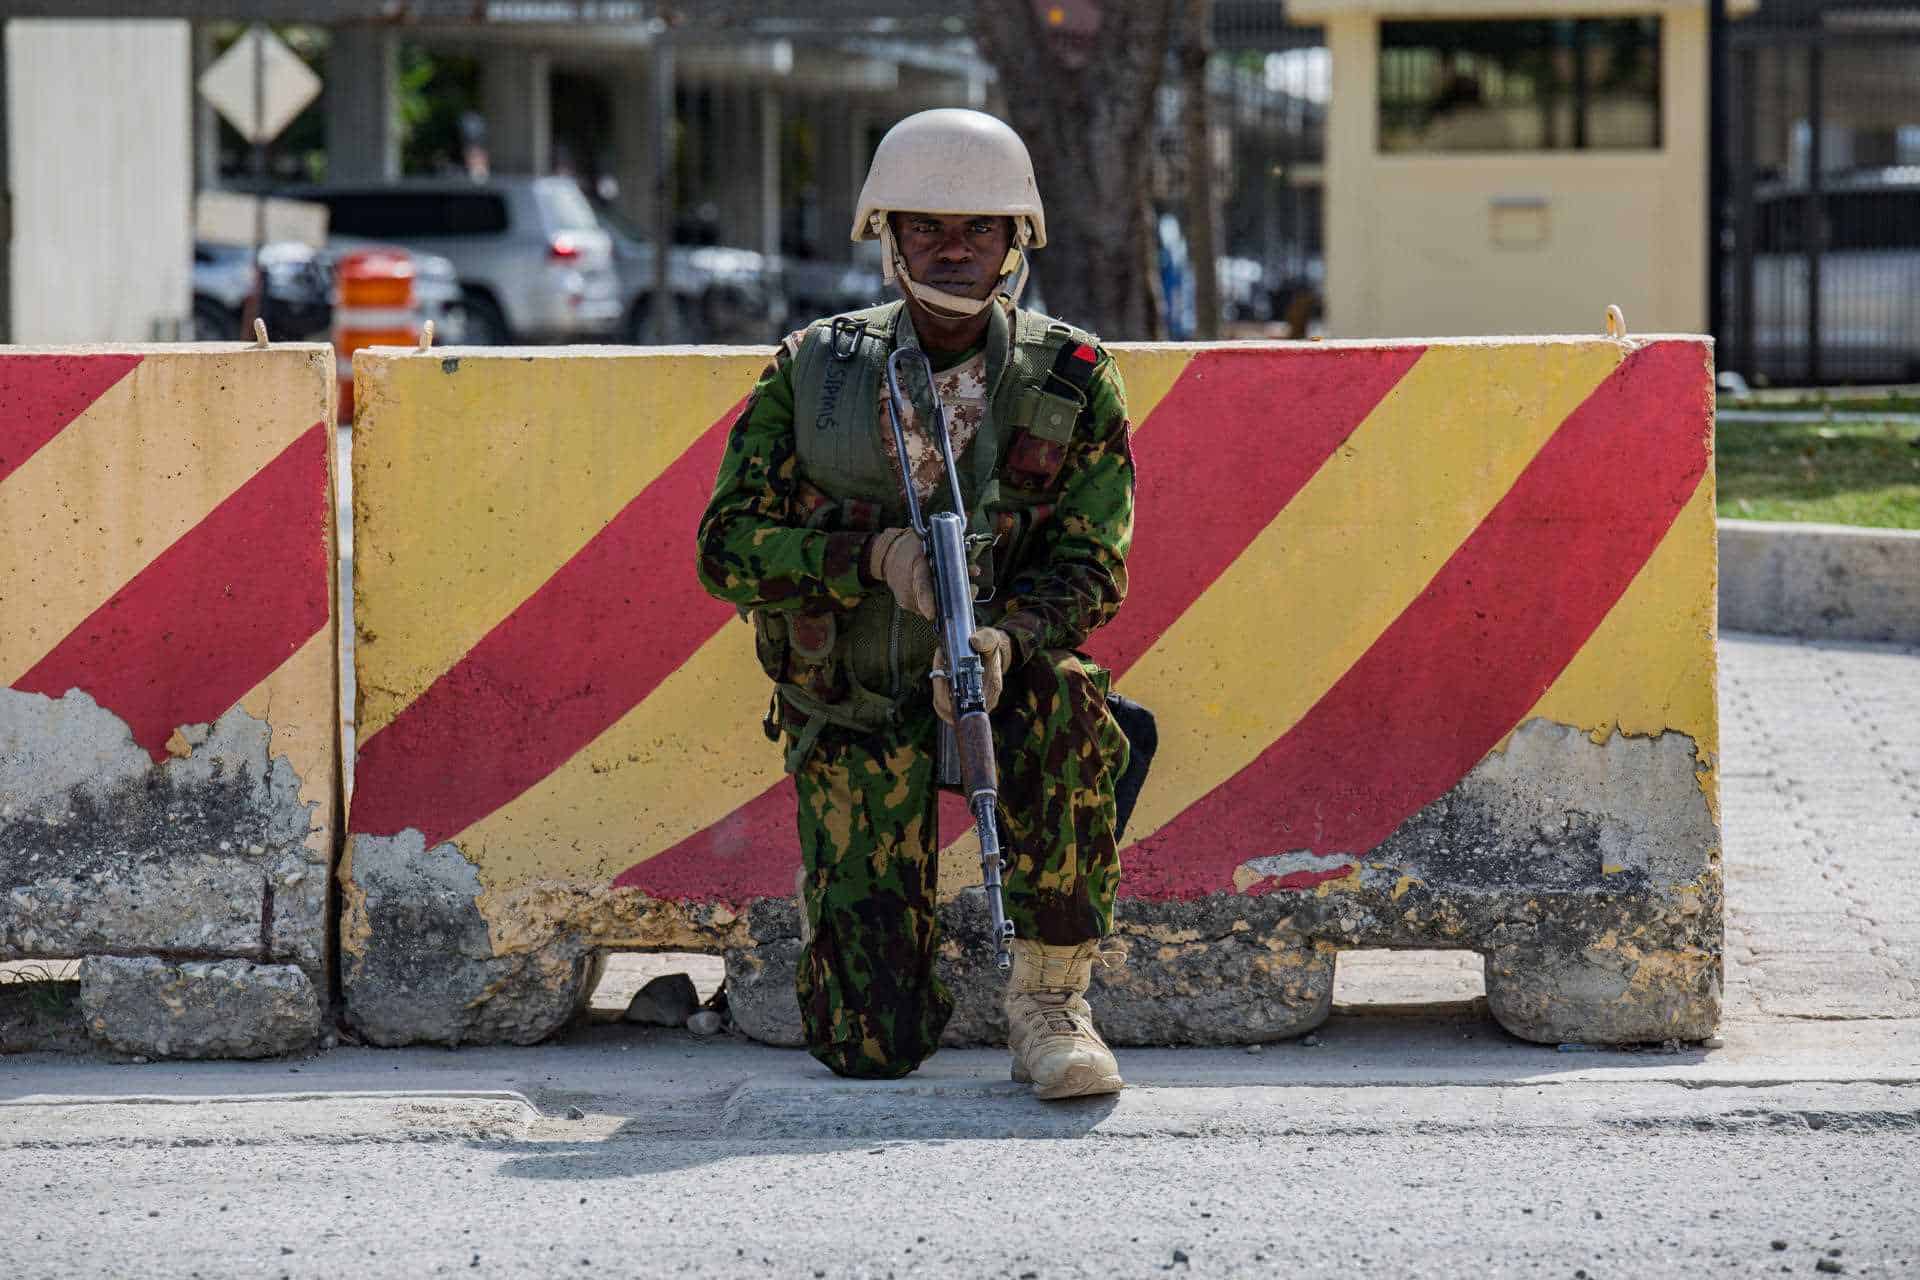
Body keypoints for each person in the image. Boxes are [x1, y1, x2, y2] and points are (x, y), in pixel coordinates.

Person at [695, 108, 1135, 1100]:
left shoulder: (1068, 375)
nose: (954, 249)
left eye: (979, 228)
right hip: (853, 695)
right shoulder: (814, 368)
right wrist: (869, 557)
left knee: (1074, 705)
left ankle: (1052, 1003)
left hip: (996, 681)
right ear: (887, 237)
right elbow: (725, 550)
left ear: (1015, 241)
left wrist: (1004, 639)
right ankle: (857, 911)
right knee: (868, 1043)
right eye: (927, 227)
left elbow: (1092, 564)